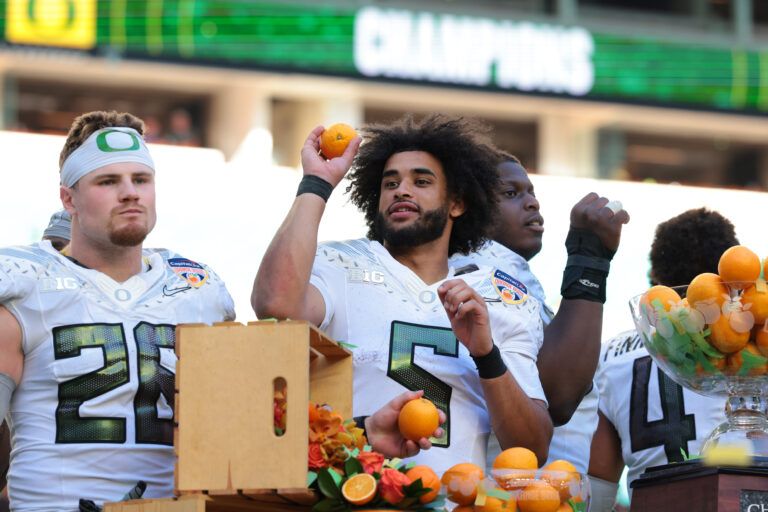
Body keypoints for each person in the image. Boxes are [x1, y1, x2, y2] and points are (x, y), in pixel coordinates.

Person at [253, 114, 553, 475]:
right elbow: (275, 304)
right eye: (390, 182)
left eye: (421, 181)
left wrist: (486, 354)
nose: (401, 190)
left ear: (457, 203)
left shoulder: (498, 294)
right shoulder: (341, 263)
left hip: (456, 499)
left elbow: (531, 447)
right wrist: (317, 183)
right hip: (351, 496)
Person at [0, 110, 237, 511]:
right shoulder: (24, 281)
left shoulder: (199, 289)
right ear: (68, 198)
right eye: (108, 181)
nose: (130, 193)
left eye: (140, 180)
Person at [451, 153, 629, 472]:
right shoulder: (483, 277)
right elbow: (557, 397)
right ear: (466, 207)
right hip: (509, 495)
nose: (532, 202)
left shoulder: (508, 278)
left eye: (531, 191)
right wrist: (589, 259)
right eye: (511, 193)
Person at [588, 208, 738, 511]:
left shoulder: (609, 354)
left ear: (654, 280)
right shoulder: (747, 345)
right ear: (733, 280)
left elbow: (599, 490)